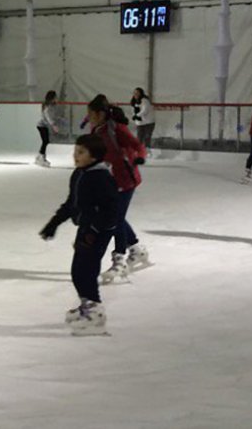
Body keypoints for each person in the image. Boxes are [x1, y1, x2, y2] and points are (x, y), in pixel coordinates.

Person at [39, 133, 118, 335]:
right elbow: (71, 204)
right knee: (77, 271)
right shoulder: (79, 174)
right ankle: (88, 305)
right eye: (75, 151)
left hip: (99, 231)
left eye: (81, 152)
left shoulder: (101, 178)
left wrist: (92, 231)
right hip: (86, 227)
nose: (75, 155)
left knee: (86, 271)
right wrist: (54, 223)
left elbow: (112, 212)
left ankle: (95, 314)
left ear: (94, 156)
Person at [85, 95, 148, 283]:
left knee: (115, 218)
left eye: (91, 114)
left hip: (127, 179)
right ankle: (136, 249)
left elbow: (138, 145)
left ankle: (119, 260)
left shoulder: (116, 129)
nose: (89, 117)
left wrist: (139, 157)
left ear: (101, 113)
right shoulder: (96, 129)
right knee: (116, 216)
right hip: (110, 181)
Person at [36, 90, 62, 167]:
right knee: (45, 141)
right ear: (52, 98)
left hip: (44, 126)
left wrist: (59, 119)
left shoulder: (52, 106)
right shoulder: (47, 107)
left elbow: (52, 116)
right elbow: (48, 117)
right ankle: (41, 158)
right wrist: (54, 126)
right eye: (55, 97)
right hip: (41, 126)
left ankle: (39, 157)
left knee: (46, 141)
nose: (57, 98)